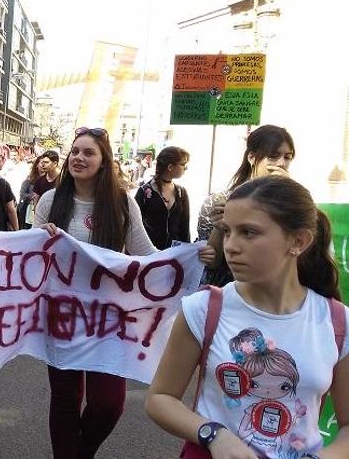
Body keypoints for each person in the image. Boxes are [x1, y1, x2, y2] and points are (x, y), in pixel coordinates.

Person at [33, 127, 213, 458]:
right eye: (75, 151)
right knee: (65, 399)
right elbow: (29, 261)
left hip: (108, 318)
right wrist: (38, 238)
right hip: (61, 316)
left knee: (108, 403)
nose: (78, 158)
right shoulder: (50, 201)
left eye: (88, 152)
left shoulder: (121, 204)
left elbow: (148, 255)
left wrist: (191, 256)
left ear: (104, 161)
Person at [145, 175, 349, 459]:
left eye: (249, 232)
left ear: (298, 241)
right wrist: (213, 434)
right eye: (227, 231)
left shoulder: (337, 321)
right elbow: (160, 398)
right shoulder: (204, 308)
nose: (231, 245)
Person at [198, 124, 295, 287]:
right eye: (273, 156)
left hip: (273, 292)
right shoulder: (220, 201)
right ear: (251, 157)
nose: (281, 163)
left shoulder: (289, 203)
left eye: (287, 157)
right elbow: (211, 262)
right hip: (227, 292)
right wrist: (221, 227)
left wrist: (290, 195)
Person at [134, 146, 191, 249]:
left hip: (175, 253)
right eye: (183, 164)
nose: (186, 168)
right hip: (149, 252)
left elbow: (185, 227)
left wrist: (187, 251)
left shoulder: (181, 192)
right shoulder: (144, 192)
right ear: (170, 167)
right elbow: (134, 225)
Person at [16, 154, 43, 230]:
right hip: (28, 210)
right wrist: (33, 196)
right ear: (37, 165)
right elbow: (22, 193)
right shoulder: (30, 179)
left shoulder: (49, 180)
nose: (43, 165)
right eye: (41, 163)